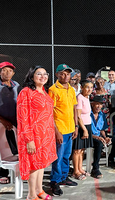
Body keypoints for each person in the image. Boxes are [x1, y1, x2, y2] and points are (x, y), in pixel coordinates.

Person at [17, 66, 56, 200]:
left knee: (42, 163)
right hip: (33, 136)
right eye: (39, 74)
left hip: (46, 136)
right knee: (33, 165)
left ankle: (39, 190)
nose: (43, 76)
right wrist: (29, 140)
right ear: (32, 76)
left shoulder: (45, 92)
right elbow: (23, 118)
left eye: (45, 74)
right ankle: (31, 194)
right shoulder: (26, 92)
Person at [49, 64, 78, 196]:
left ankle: (64, 177)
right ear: (57, 75)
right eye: (62, 73)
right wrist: (57, 131)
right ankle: (54, 181)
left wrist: (76, 126)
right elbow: (50, 113)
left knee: (66, 156)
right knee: (58, 157)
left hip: (70, 128)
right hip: (60, 130)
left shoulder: (71, 89)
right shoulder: (53, 90)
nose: (65, 76)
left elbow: (74, 109)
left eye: (68, 73)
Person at [90, 95, 115, 178]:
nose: (99, 106)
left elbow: (102, 129)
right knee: (99, 144)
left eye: (100, 104)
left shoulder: (102, 115)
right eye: (97, 104)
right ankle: (95, 168)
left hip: (99, 135)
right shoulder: (88, 115)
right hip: (90, 136)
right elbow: (87, 132)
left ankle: (111, 159)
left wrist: (105, 137)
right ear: (92, 104)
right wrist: (99, 138)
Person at [0, 62, 20, 184]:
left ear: (13, 73)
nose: (7, 73)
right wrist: (3, 120)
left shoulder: (16, 85)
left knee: (14, 149)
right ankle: (2, 174)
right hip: (1, 123)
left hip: (15, 123)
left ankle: (16, 173)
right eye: (4, 70)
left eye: (10, 71)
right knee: (2, 149)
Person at [72, 80, 94, 180]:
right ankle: (75, 171)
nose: (89, 89)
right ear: (82, 88)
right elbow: (78, 116)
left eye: (91, 87)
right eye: (87, 87)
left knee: (82, 150)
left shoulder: (87, 98)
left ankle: (80, 169)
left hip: (87, 125)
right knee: (77, 150)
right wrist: (84, 129)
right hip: (81, 127)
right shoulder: (79, 98)